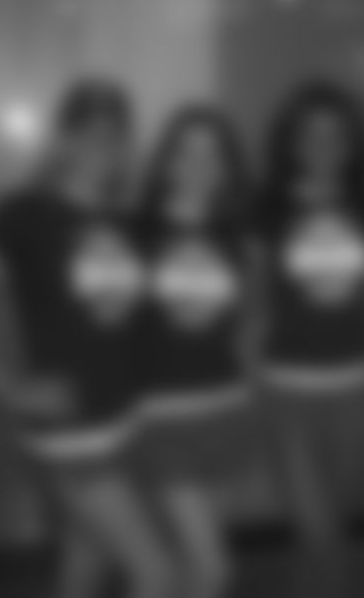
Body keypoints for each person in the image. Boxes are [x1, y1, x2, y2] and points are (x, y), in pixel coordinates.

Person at [0, 79, 175, 598]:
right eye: (90, 132)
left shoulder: (126, 220)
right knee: (157, 574)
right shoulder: (19, 214)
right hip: (69, 430)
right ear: (63, 139)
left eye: (116, 135)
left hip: (122, 418)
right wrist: (10, 390)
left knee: (88, 554)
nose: (103, 146)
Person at [253, 81, 364, 598]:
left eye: (335, 134)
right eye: (310, 133)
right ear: (292, 142)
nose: (323, 145)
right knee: (317, 529)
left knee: (331, 527)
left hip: (356, 387)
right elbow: (253, 298)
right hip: (287, 387)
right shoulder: (266, 206)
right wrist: (249, 374)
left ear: (352, 144)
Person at [129, 104, 258, 598]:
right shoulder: (134, 232)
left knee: (188, 568)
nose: (198, 165)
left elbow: (247, 321)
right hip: (160, 418)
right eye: (186, 151)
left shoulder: (237, 237)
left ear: (226, 168)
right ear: (166, 161)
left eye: (212, 154)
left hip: (226, 412)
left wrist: (250, 375)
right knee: (213, 570)